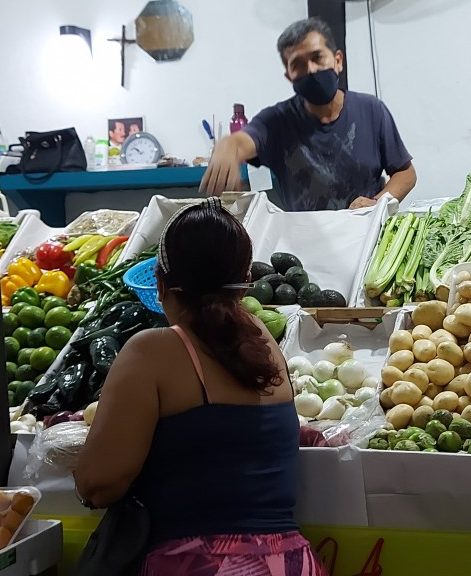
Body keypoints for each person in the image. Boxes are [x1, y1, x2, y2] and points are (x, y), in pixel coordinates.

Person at [74, 198, 326, 575]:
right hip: (289, 563)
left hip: (199, 563)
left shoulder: (151, 352)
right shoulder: (264, 340)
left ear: (159, 282)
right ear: (245, 284)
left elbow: (99, 485)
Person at [200, 17, 417, 211]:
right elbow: (244, 141)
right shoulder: (277, 121)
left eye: (317, 57)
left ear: (338, 60)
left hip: (366, 235)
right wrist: (228, 146)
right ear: (289, 76)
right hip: (305, 242)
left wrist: (378, 204)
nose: (311, 70)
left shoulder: (371, 110)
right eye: (298, 64)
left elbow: (406, 174)